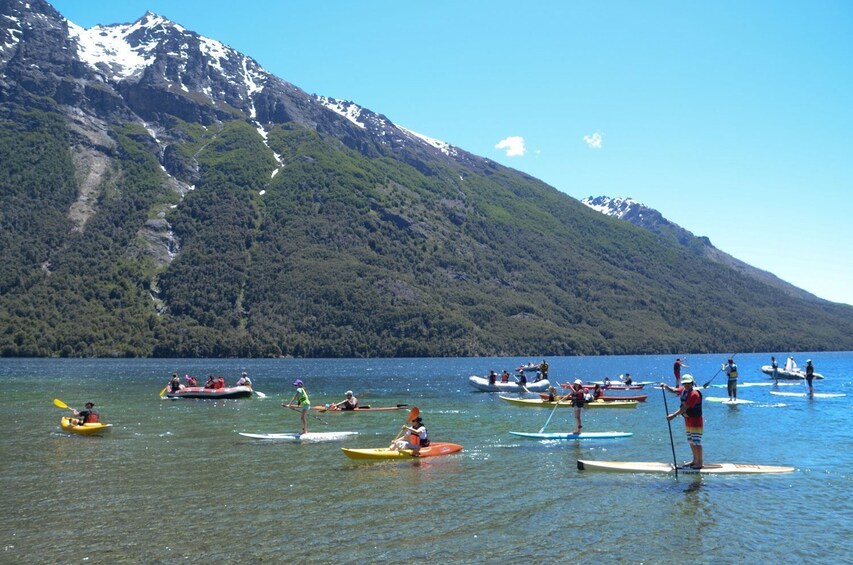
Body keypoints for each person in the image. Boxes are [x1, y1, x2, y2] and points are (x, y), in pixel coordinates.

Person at [662, 375, 703, 469]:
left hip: (696, 420)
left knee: (696, 441)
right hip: (687, 419)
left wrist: (673, 415)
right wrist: (665, 386)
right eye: (685, 384)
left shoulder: (694, 394)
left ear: (692, 383)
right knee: (690, 441)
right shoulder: (684, 390)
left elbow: (685, 407)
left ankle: (700, 462)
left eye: (689, 384)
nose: (687, 385)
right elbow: (674, 390)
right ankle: (694, 460)